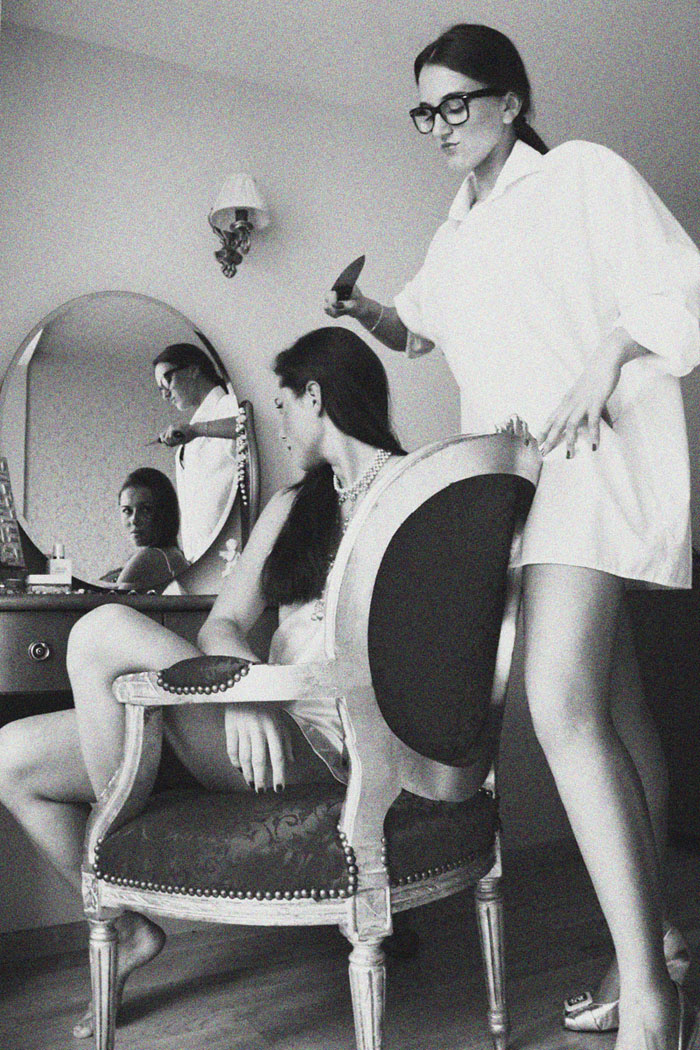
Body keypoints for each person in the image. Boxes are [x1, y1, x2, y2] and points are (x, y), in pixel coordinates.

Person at [324, 23, 700, 1050]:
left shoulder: (580, 174)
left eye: (455, 103)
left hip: (590, 461)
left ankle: (652, 1000)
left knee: (561, 705)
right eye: (425, 111)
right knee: (614, 712)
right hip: (521, 490)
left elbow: (678, 282)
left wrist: (602, 360)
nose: (439, 125)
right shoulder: (455, 235)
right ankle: (657, 950)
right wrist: (362, 309)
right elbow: (419, 328)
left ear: (510, 100)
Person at [0, 326, 404, 1039]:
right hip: (258, 725)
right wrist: (242, 688)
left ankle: (118, 850)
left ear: (315, 396)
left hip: (327, 745)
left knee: (100, 631)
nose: (278, 423)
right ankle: (125, 924)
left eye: (282, 404)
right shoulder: (293, 507)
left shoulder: (414, 491)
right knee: (11, 759)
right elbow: (223, 624)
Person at [153, 343, 240, 562]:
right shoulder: (194, 424)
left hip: (228, 549)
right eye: (159, 388)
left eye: (167, 380)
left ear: (193, 369)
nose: (165, 394)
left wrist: (197, 430)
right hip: (200, 556)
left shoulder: (228, 405)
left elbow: (247, 428)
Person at [100, 467, 189, 592]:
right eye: (127, 510)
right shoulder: (171, 554)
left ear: (165, 512)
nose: (134, 520)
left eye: (146, 509)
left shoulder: (151, 557)